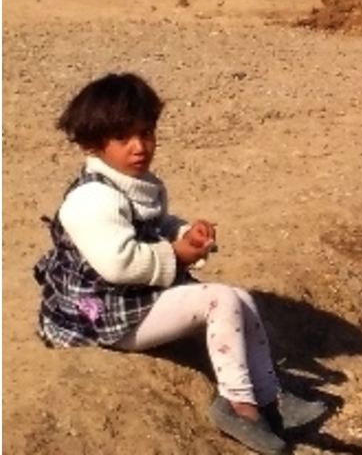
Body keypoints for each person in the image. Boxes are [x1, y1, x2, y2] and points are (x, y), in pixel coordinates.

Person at [33, 72, 325, 454]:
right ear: (92, 144)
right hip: (100, 315)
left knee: (239, 298)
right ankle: (239, 407)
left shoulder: (136, 182)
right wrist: (176, 254)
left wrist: (186, 232)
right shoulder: (92, 200)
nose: (139, 147)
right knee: (219, 300)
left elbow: (157, 222)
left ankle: (270, 397)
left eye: (147, 134)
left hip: (129, 298)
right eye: (123, 138)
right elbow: (118, 264)